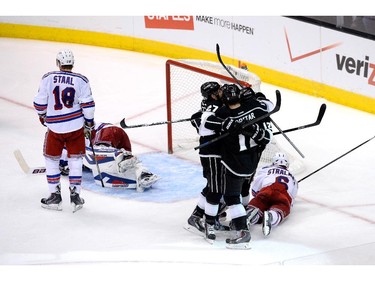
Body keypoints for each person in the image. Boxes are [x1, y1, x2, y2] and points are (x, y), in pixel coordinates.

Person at [208, 83, 273, 249]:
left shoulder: (222, 113)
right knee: (243, 190)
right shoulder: (254, 107)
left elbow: (208, 124)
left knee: (231, 197)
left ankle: (242, 231)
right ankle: (244, 217)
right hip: (252, 161)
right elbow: (268, 112)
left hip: (234, 163)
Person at [34, 49, 95, 212]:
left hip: (54, 128)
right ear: (72, 63)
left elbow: (39, 103)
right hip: (75, 127)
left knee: (52, 160)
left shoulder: (48, 78)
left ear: (58, 63)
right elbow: (88, 107)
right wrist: (89, 124)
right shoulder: (82, 80)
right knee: (76, 161)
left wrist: (43, 116)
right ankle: (75, 197)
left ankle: (55, 196)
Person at [185, 81, 228, 239]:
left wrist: (195, 120)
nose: (222, 91)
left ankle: (198, 216)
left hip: (213, 150)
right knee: (216, 189)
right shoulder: (217, 106)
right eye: (219, 90)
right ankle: (207, 220)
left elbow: (196, 117)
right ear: (213, 94)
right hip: (212, 152)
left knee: (214, 185)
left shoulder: (210, 103)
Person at [82, 122, 159, 192]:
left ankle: (126, 158)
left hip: (108, 131)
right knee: (120, 163)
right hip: (118, 136)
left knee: (100, 151)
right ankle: (143, 174)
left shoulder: (78, 136)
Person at [246, 152, 299, 236]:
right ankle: (271, 216)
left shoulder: (266, 169)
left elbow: (256, 184)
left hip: (267, 189)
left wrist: (257, 195)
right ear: (287, 164)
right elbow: (292, 197)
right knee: (281, 207)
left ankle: (251, 214)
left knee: (259, 202)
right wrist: (288, 205)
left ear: (273, 162)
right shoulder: (293, 178)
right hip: (283, 193)